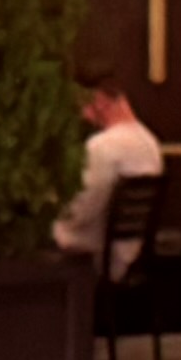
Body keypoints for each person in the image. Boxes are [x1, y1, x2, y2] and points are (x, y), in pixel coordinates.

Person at [51, 69, 164, 270]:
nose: (82, 115)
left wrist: (51, 204)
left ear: (100, 100)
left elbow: (79, 213)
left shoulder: (103, 147)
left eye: (82, 104)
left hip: (100, 259)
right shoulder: (150, 143)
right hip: (133, 255)